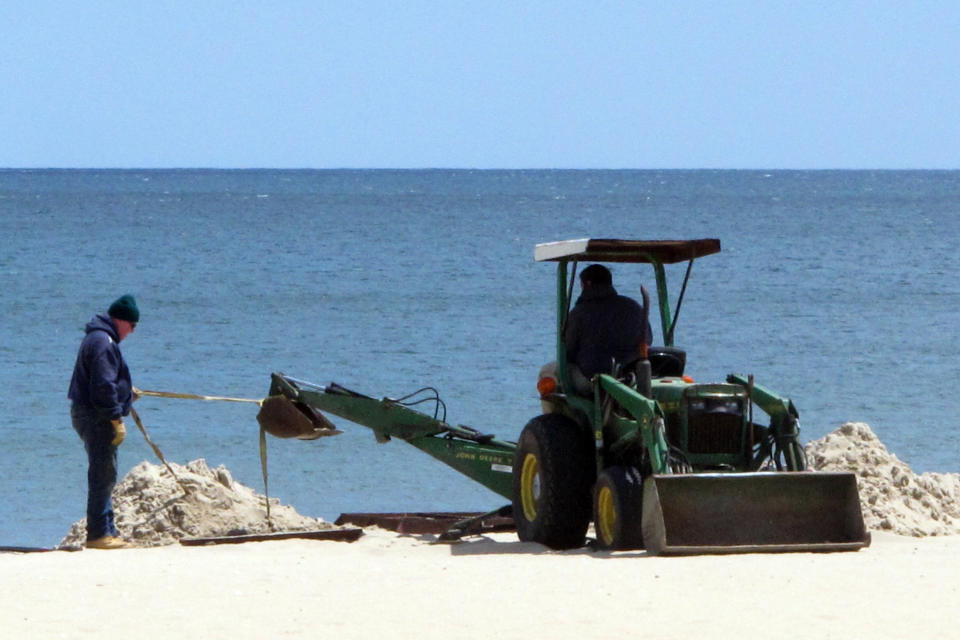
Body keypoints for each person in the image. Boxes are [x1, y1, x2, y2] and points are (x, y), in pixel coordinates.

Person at [68, 294, 140, 549]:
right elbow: (103, 385)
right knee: (102, 472)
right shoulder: (103, 342)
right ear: (121, 320)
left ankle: (107, 529)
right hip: (96, 416)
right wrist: (115, 417)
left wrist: (128, 393)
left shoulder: (99, 338)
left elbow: (107, 382)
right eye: (132, 326)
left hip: (90, 412)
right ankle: (98, 533)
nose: (132, 332)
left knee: (106, 471)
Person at [563, 264, 651, 395]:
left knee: (551, 371)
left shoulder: (578, 313)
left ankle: (560, 414)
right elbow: (648, 339)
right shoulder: (633, 307)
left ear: (587, 284)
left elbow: (568, 350)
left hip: (592, 379)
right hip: (631, 375)